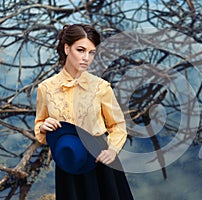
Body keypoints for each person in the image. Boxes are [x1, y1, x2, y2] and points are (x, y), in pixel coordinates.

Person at [34, 24, 134, 200]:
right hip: (69, 160)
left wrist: (112, 150)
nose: (86, 58)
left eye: (92, 52)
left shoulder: (101, 87)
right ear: (66, 48)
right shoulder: (45, 88)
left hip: (100, 160)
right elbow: (40, 126)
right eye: (81, 50)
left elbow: (117, 125)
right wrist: (43, 126)